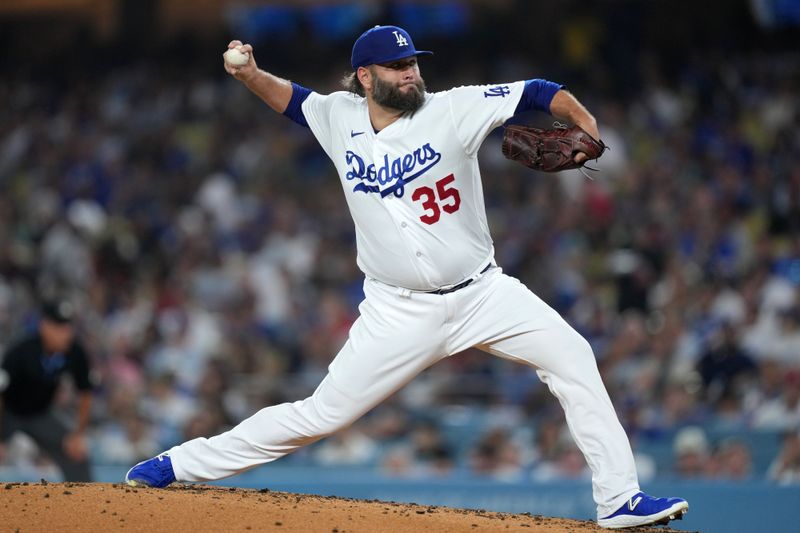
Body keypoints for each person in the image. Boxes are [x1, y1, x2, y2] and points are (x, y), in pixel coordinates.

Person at [126, 25, 688, 528]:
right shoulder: (338, 116)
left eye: (414, 63)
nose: (412, 72)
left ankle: (619, 499)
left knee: (573, 356)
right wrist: (248, 72)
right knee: (320, 414)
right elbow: (291, 100)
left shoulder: (452, 109)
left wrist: (583, 121)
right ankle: (178, 464)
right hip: (398, 310)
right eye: (399, 67)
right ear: (365, 77)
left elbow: (539, 92)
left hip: (483, 293)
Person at [0, 299, 93, 481]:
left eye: (68, 327)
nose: (65, 333)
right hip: (8, 413)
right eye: (59, 327)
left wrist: (78, 435)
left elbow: (86, 393)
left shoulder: (75, 351)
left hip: (41, 414)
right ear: (44, 326)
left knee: (77, 454)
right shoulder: (21, 349)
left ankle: (86, 506)